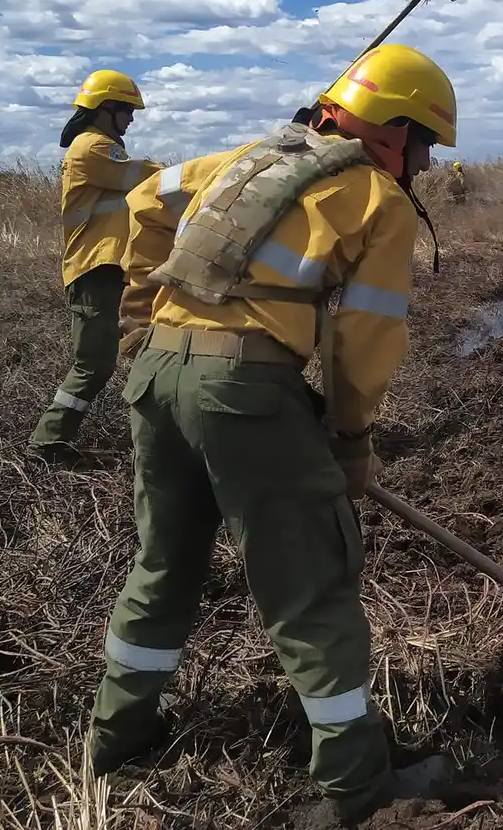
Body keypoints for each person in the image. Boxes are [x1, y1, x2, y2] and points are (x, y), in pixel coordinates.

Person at [88, 43, 460, 824]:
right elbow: (367, 337)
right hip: (246, 394)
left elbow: (146, 201)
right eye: (423, 145)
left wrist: (137, 320)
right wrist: (351, 436)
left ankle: (115, 738)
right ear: (391, 129)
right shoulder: (374, 200)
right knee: (313, 587)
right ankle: (358, 786)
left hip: (156, 379)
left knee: (162, 564)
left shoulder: (243, 159)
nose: (422, 167)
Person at [27, 69, 161, 460]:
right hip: (94, 269)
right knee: (93, 364)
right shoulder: (94, 148)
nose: (132, 119)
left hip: (107, 269)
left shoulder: (94, 146)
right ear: (107, 109)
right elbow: (151, 178)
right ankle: (48, 442)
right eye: (128, 110)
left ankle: (153, 437)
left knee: (141, 346)